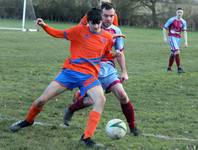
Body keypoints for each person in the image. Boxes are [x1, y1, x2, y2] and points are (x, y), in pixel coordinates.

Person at [9, 8, 114, 147]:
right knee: (41, 100)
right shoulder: (78, 31)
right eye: (93, 23)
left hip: (89, 76)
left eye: (98, 23)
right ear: (87, 22)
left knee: (100, 100)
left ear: (101, 22)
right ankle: (28, 121)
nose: (96, 26)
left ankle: (86, 138)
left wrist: (114, 55)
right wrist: (44, 26)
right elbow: (58, 34)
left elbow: (105, 54)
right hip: (70, 73)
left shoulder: (107, 37)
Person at [63, 2, 140, 136]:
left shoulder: (116, 31)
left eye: (111, 16)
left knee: (122, 96)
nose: (108, 19)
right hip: (91, 69)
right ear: (100, 14)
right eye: (105, 15)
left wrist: (124, 71)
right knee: (91, 101)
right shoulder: (88, 28)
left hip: (109, 69)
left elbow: (119, 53)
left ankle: (133, 128)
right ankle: (71, 109)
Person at [163, 8, 188, 73]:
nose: (179, 13)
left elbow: (185, 32)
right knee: (177, 51)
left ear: (182, 13)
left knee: (173, 53)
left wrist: (186, 41)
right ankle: (179, 68)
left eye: (181, 12)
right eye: (178, 12)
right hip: (172, 37)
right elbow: (164, 28)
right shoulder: (171, 19)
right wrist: (165, 37)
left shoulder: (184, 21)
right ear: (176, 13)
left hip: (178, 38)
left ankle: (169, 68)